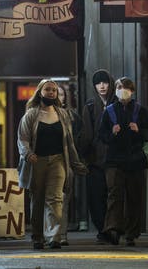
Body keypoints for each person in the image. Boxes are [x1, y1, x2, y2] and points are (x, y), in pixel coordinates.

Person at [17, 79, 88, 250]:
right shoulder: (31, 114)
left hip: (58, 160)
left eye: (54, 90)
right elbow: (23, 138)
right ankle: (37, 236)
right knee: (38, 199)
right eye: (47, 89)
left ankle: (53, 237)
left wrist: (76, 163)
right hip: (37, 161)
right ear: (40, 92)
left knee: (55, 198)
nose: (51, 93)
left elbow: (69, 142)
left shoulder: (62, 114)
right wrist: (28, 154)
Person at [99, 76, 148, 247]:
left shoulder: (141, 111)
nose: (122, 91)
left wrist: (139, 130)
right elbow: (101, 135)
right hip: (114, 161)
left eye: (126, 88)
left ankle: (131, 233)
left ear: (132, 91)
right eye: (119, 88)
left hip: (135, 160)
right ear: (115, 91)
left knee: (134, 197)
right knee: (114, 196)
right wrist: (112, 132)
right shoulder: (109, 111)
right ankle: (113, 231)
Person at [78, 68, 117, 244]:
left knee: (114, 197)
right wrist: (83, 155)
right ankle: (103, 230)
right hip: (95, 160)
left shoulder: (118, 103)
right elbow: (86, 134)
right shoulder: (91, 105)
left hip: (116, 159)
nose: (102, 86)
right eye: (98, 83)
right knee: (96, 197)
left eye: (105, 82)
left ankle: (112, 229)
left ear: (110, 83)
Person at [49, 83, 83, 246]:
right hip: (48, 161)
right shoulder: (41, 114)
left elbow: (80, 139)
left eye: (61, 94)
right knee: (51, 200)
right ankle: (52, 234)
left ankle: (61, 235)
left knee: (63, 199)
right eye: (56, 94)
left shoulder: (73, 117)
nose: (58, 97)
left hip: (66, 162)